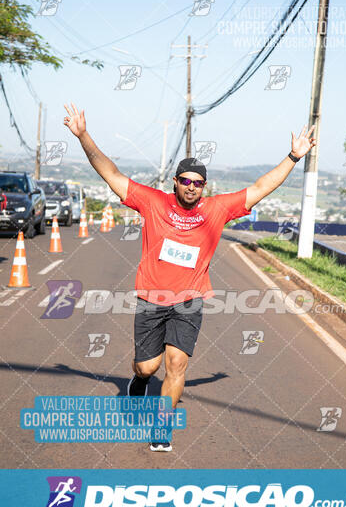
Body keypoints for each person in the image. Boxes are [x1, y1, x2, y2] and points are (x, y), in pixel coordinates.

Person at [63, 102, 316, 452]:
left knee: (177, 363)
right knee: (147, 367)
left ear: (204, 187)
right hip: (152, 299)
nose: (192, 187)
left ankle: (161, 429)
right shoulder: (152, 202)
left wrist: (292, 156)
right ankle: (138, 382)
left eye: (198, 183)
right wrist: (83, 136)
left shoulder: (216, 210)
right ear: (176, 183)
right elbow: (112, 173)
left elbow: (260, 187)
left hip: (189, 300)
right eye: (186, 181)